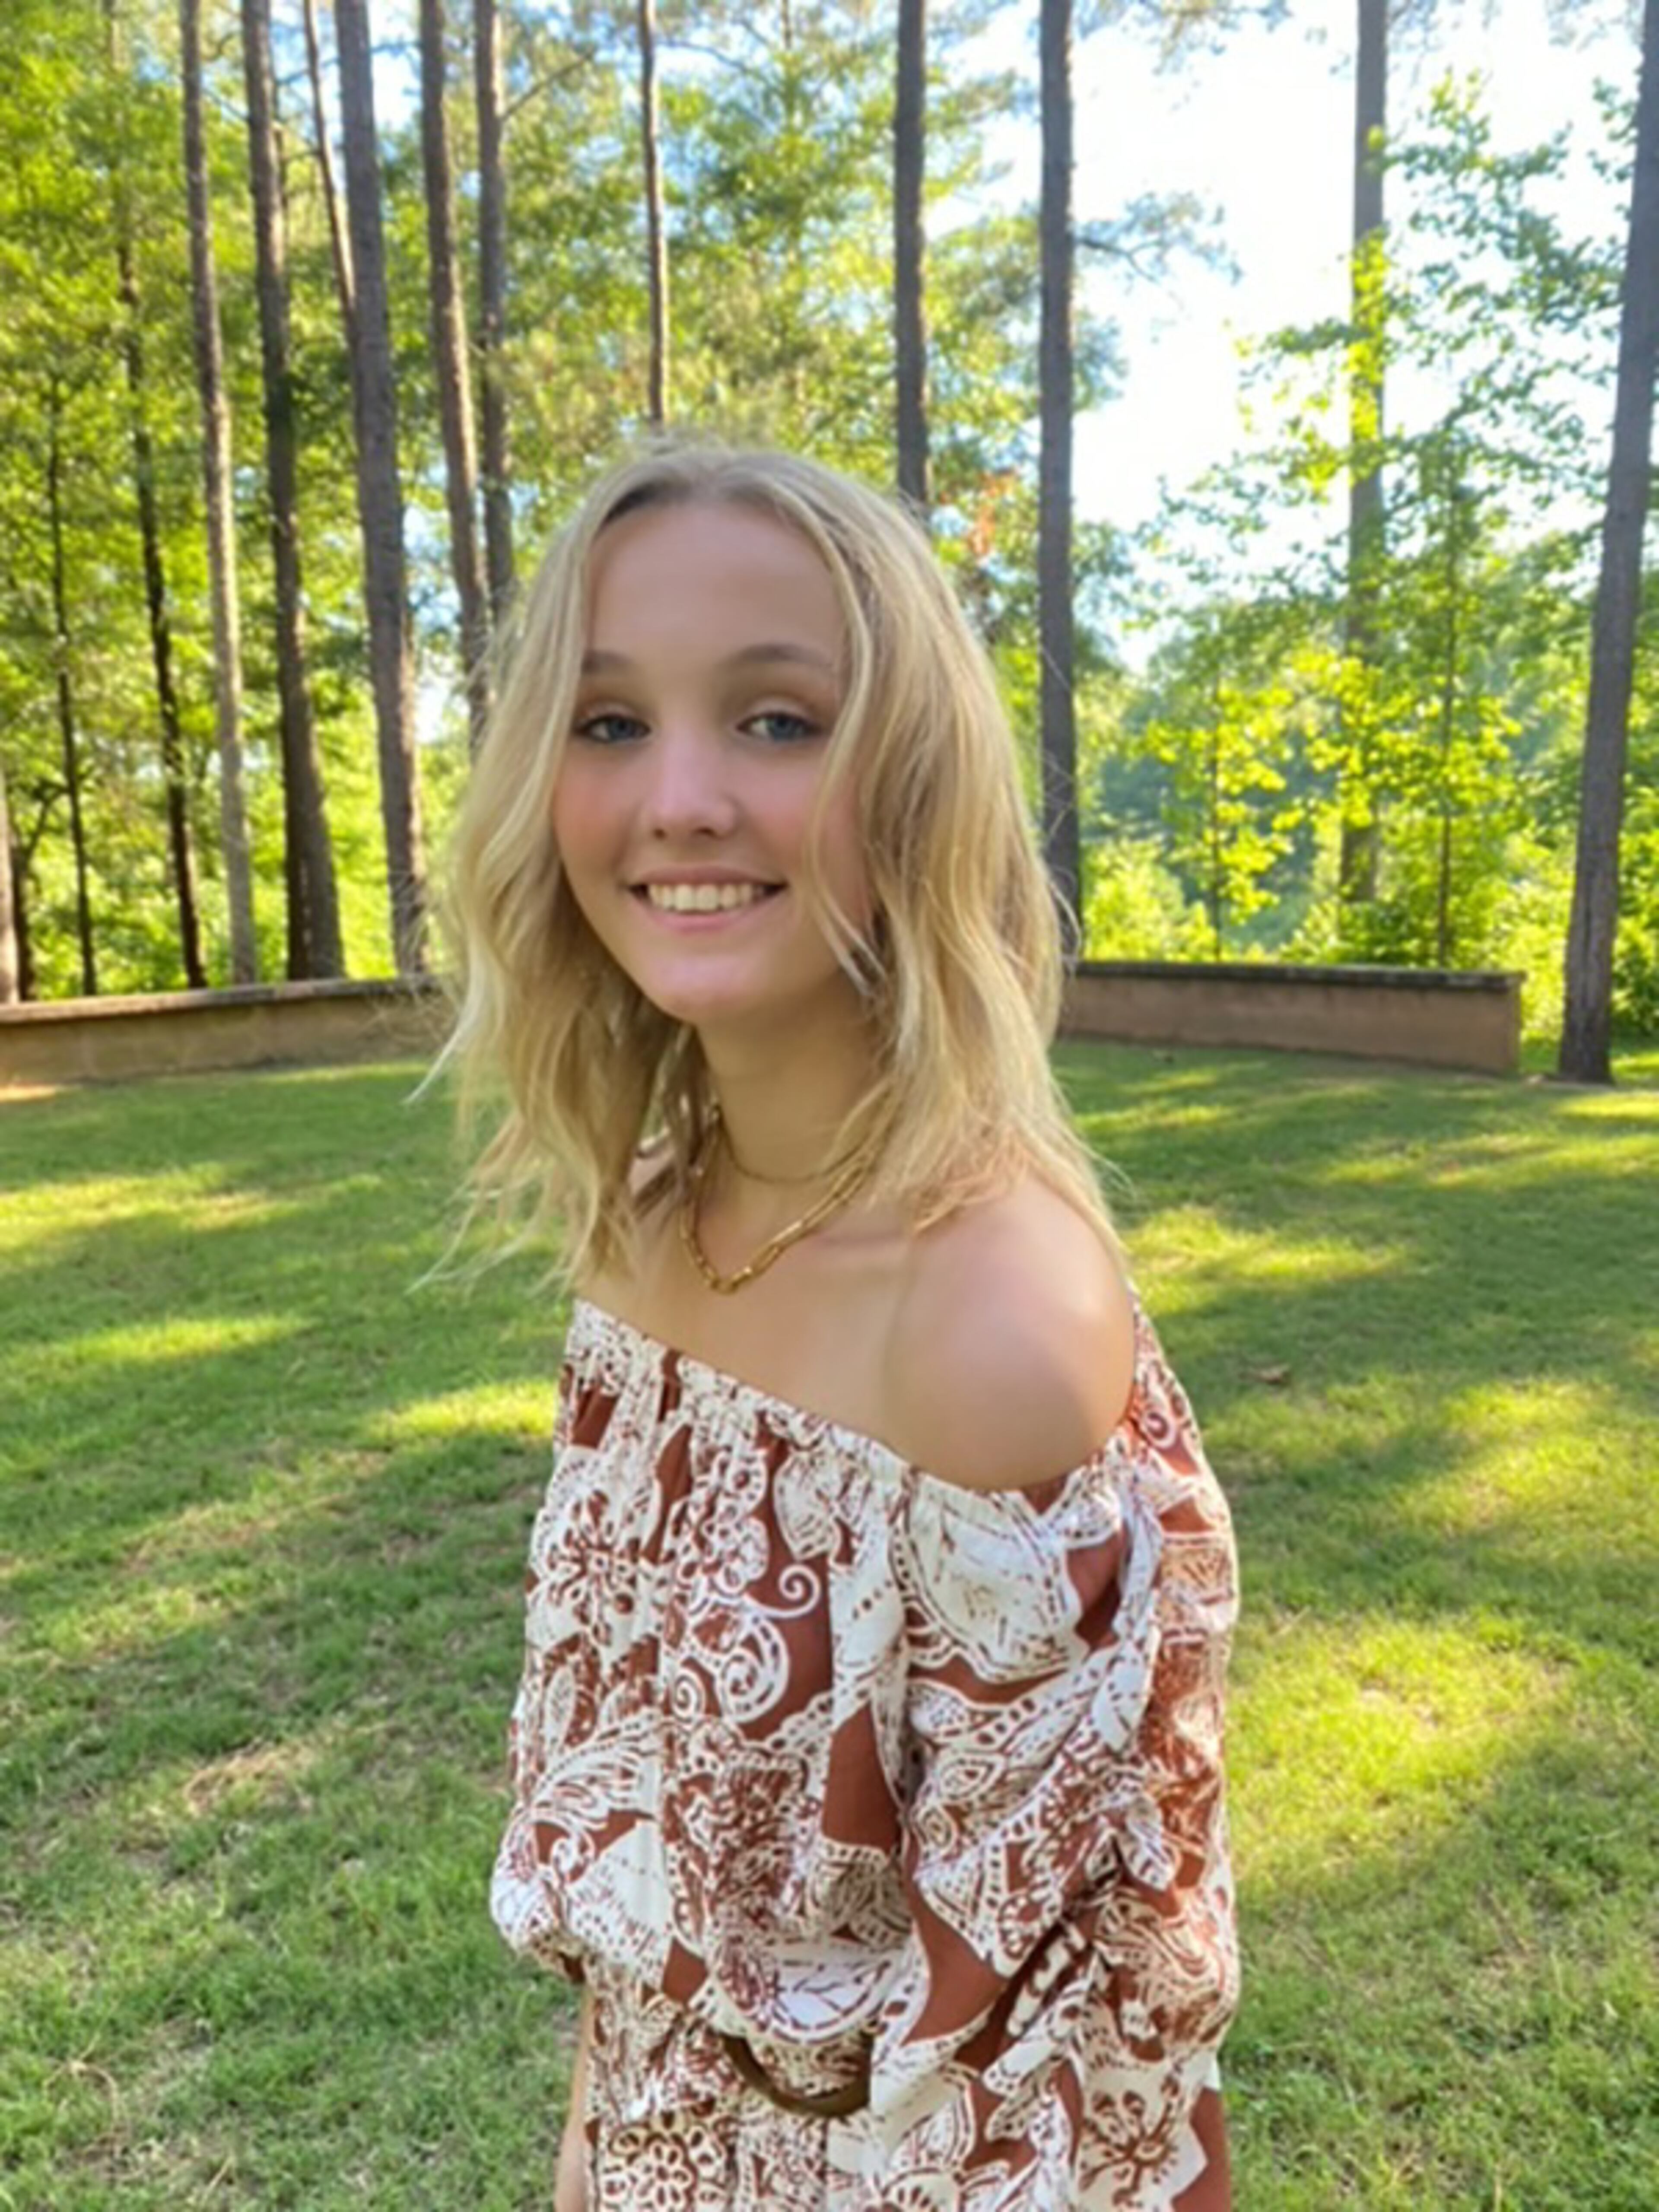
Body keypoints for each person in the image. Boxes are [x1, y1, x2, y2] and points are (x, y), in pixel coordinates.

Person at [444, 440, 1239, 2211]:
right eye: (609, 721)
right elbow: (655, 1902)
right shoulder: (649, 1225)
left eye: (780, 720)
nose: (683, 799)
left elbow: (1064, 2073)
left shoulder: (993, 1330)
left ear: (917, 776)